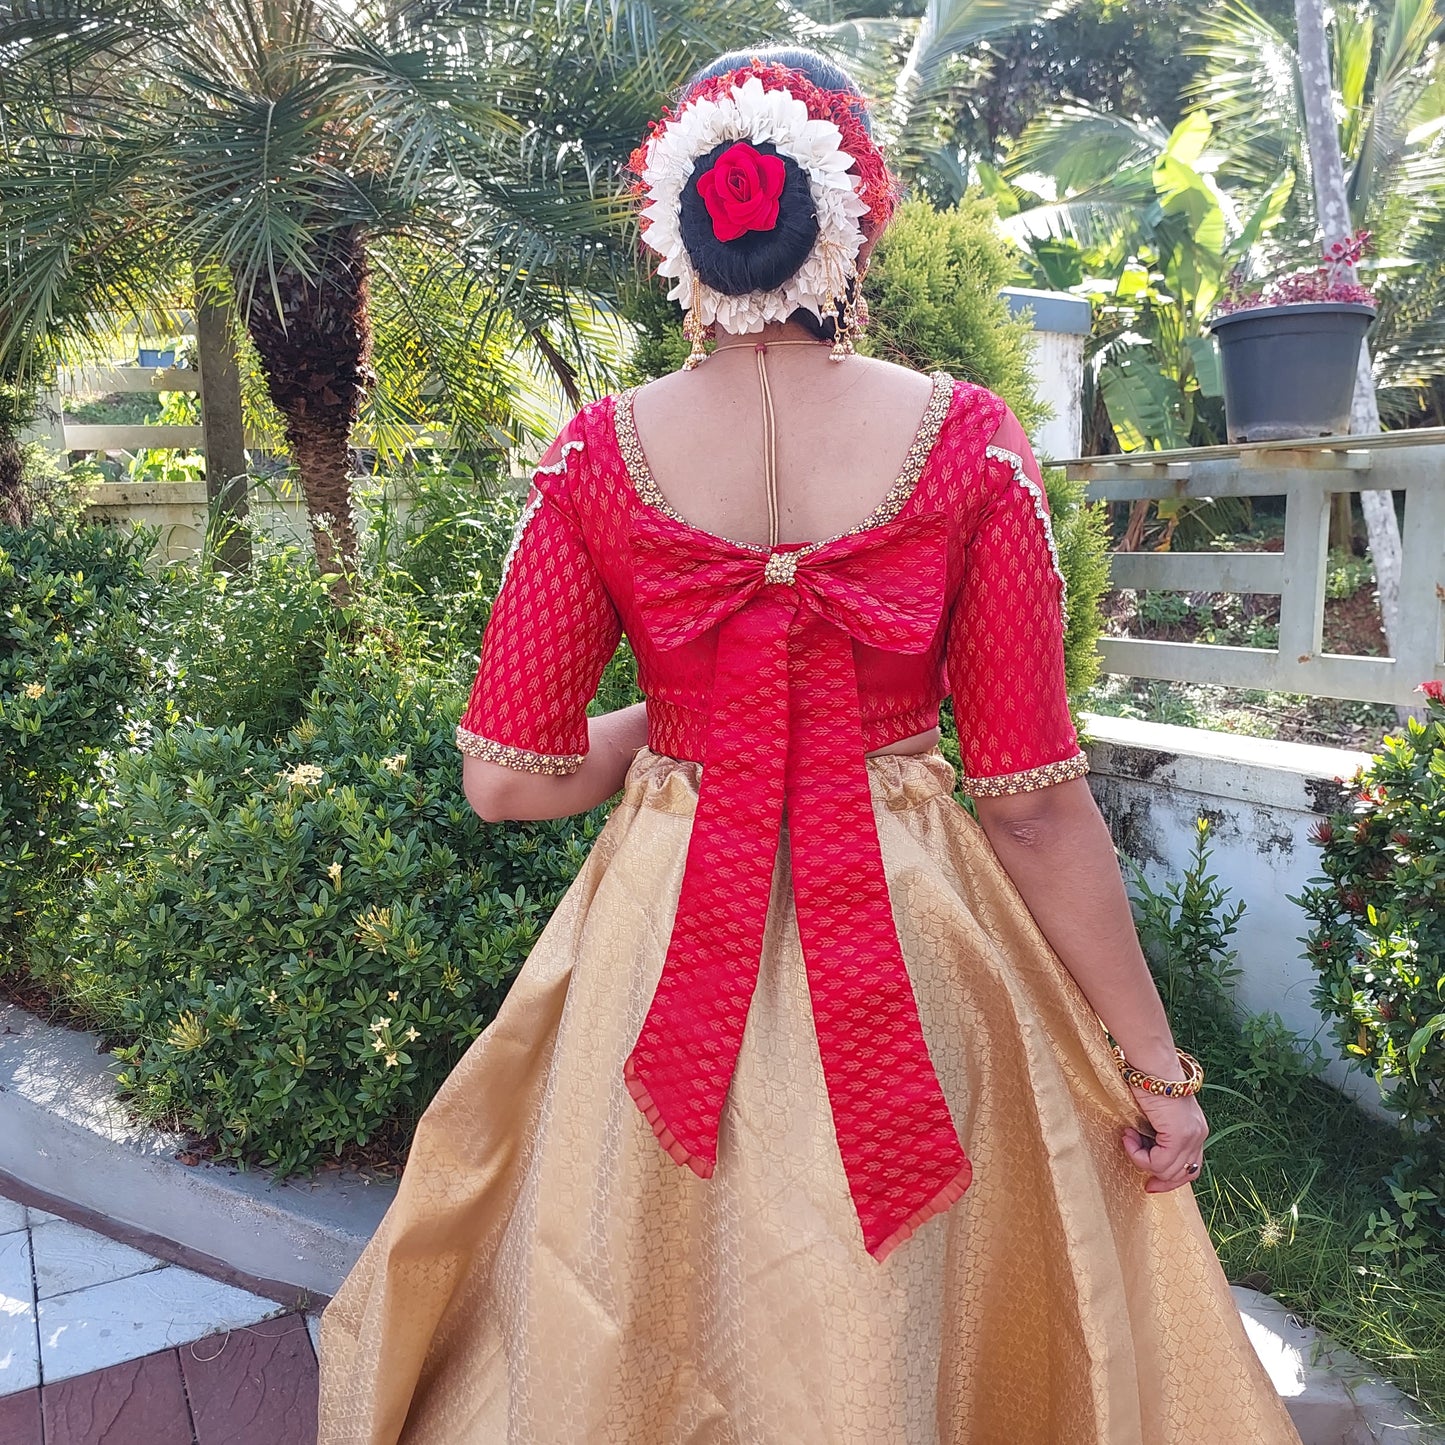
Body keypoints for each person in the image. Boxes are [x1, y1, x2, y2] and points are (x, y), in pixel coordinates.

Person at [317, 47, 1302, 1445]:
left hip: (660, 943)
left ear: (678, 237)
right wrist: (1153, 1070)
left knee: (636, 1286)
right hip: (917, 932)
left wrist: (678, 715)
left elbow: (507, 777)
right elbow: (1030, 806)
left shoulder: (598, 455)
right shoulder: (965, 443)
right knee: (910, 1301)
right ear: (852, 218)